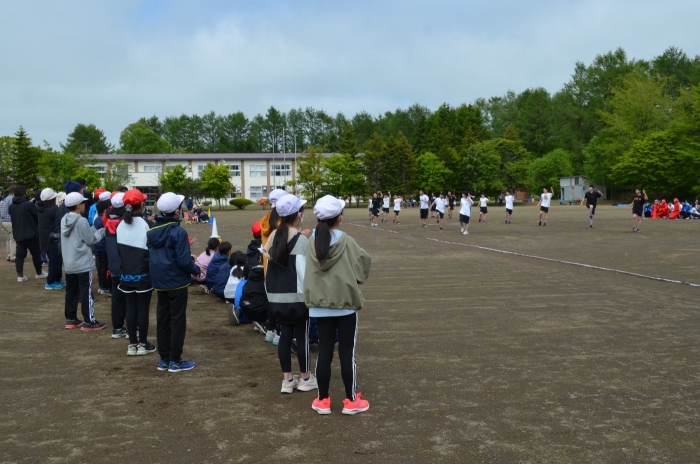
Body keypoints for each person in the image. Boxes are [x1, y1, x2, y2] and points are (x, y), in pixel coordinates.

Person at [305, 195, 372, 415]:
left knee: (324, 352)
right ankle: (350, 401)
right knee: (346, 353)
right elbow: (363, 264)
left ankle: (322, 400)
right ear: (339, 218)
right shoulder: (347, 241)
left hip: (320, 306)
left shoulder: (311, 240)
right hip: (345, 305)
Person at [263, 193, 317, 394]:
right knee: (302, 337)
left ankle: (287, 379)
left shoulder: (275, 236)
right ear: (298, 215)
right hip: (297, 299)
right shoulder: (302, 241)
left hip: (277, 299)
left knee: (285, 336)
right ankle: (305, 377)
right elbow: (304, 274)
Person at [147, 192, 202, 373]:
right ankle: (176, 361)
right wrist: (196, 269)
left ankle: (164, 359)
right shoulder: (178, 232)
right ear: (177, 211)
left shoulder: (151, 231)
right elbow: (184, 261)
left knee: (163, 319)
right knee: (177, 321)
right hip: (177, 282)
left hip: (159, 281)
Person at [117, 189, 156, 356]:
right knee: (142, 309)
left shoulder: (120, 225)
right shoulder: (147, 225)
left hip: (125, 274)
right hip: (143, 274)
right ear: (142, 205)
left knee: (130, 309)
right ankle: (142, 343)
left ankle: (132, 344)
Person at [60, 192, 106, 330]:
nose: (85, 205)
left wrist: (92, 230)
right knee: (86, 292)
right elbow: (91, 239)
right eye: (83, 203)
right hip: (83, 263)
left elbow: (80, 235)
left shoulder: (64, 219)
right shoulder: (81, 220)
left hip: (69, 262)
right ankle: (89, 321)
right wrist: (102, 231)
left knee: (71, 291)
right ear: (78, 205)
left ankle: (71, 318)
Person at [8, 186, 46, 283]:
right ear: (23, 193)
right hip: (31, 234)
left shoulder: (11, 206)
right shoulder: (28, 204)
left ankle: (20, 275)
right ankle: (39, 272)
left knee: (20, 256)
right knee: (36, 255)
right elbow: (36, 216)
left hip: (18, 235)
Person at [104, 192, 128, 339]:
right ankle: (134, 328)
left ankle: (118, 328)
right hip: (128, 267)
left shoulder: (108, 224)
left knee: (117, 298)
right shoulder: (126, 224)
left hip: (114, 267)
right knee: (132, 299)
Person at [239, 250, 272, 335]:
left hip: (246, 308)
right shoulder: (268, 274)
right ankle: (267, 324)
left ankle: (259, 322)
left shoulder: (252, 272)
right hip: (260, 310)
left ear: (259, 259)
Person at [37, 188, 62, 290]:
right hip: (53, 239)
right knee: (55, 261)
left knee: (55, 260)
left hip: (44, 238)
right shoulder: (53, 209)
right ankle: (50, 281)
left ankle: (57, 279)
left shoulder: (39, 208)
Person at [94, 196, 112, 295]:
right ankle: (104, 286)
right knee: (105, 268)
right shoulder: (104, 220)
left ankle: (102, 286)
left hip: (98, 246)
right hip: (104, 246)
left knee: (101, 267)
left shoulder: (97, 218)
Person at [224, 251, 247, 324]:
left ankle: (235, 309)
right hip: (236, 296)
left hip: (227, 295)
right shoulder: (246, 269)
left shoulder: (233, 268)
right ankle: (238, 313)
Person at [1, 186, 16, 262]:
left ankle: (8, 255)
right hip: (9, 221)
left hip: (3, 221)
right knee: (13, 239)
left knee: (8, 239)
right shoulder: (12, 199)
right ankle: (13, 256)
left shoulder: (6, 198)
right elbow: (13, 210)